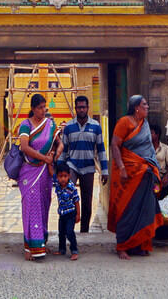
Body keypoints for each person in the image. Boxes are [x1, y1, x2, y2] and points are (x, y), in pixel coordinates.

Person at [108, 94, 163, 260]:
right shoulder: (124, 122)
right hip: (127, 173)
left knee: (144, 209)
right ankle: (122, 247)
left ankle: (139, 245)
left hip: (145, 174)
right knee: (127, 209)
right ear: (136, 107)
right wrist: (122, 168)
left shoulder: (144, 124)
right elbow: (115, 145)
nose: (147, 107)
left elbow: (149, 150)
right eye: (144, 104)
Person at [18, 93, 59, 261]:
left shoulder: (50, 124)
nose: (43, 110)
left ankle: (41, 242)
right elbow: (24, 147)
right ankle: (29, 247)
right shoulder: (25, 125)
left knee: (43, 205)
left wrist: (53, 155)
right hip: (29, 172)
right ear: (33, 109)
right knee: (30, 206)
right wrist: (44, 157)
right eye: (40, 108)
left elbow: (59, 144)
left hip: (44, 173)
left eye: (44, 107)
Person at [61, 95, 108, 232]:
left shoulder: (96, 126)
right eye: (79, 107)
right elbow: (63, 150)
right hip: (72, 167)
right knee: (68, 198)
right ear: (75, 108)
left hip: (88, 168)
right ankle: (68, 230)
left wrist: (104, 171)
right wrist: (60, 169)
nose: (81, 110)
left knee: (87, 202)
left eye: (84, 107)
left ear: (87, 108)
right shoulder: (68, 127)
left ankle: (84, 231)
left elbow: (101, 150)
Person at [53, 161, 81, 260]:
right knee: (61, 232)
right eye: (60, 176)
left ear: (69, 176)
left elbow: (76, 201)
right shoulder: (57, 185)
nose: (63, 179)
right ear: (57, 177)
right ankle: (62, 249)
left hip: (71, 214)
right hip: (62, 214)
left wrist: (78, 214)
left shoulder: (71, 187)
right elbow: (51, 172)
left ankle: (74, 250)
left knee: (69, 232)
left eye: (65, 176)